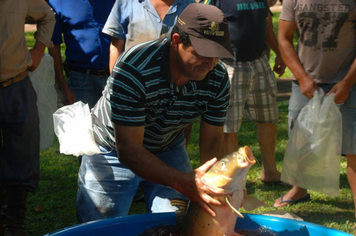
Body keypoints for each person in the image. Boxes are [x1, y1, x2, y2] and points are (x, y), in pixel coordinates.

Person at [76, 3, 233, 223]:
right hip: (112, 149)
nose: (210, 64)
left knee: (174, 223)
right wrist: (183, 181)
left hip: (167, 145)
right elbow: (129, 150)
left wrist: (216, 184)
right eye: (203, 53)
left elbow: (213, 139)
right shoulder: (134, 69)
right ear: (176, 41)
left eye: (217, 54)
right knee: (102, 225)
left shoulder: (217, 78)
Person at [273, 0, 356, 218]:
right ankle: (299, 190)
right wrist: (302, 78)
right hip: (305, 81)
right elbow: (283, 38)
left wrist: (347, 83)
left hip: (350, 81)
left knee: (354, 149)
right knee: (298, 142)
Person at [204, 0, 286, 184]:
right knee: (228, 126)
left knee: (269, 118)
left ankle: (270, 172)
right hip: (230, 64)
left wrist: (279, 52)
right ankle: (235, 178)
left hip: (259, 62)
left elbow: (266, 27)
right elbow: (208, 30)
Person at [0, 1, 55, 235]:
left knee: (23, 154)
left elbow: (47, 16)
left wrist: (38, 50)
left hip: (17, 84)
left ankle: (14, 222)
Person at [47, 0, 116, 109]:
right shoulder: (57, 2)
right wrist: (62, 85)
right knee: (85, 125)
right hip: (81, 81)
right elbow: (53, 44)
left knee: (120, 124)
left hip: (116, 77)